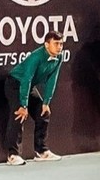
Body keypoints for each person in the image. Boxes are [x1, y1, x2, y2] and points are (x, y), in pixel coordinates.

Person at [4, 30, 64, 166]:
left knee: (43, 113)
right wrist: (23, 105)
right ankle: (12, 155)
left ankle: (41, 151)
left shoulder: (59, 57)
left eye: (61, 44)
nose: (59, 47)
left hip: (29, 86)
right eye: (56, 44)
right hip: (15, 83)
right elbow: (26, 79)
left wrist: (46, 102)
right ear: (47, 45)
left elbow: (52, 80)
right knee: (19, 114)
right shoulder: (35, 57)